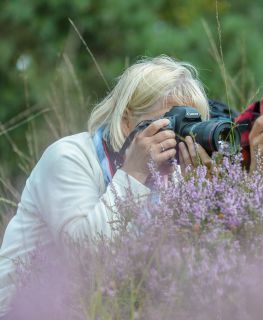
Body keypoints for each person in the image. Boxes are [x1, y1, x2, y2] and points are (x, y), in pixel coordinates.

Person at [0, 55, 212, 316]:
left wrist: (197, 193)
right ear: (126, 119)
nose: (178, 138)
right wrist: (133, 172)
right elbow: (87, 259)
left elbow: (185, 269)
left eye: (190, 126)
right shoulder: (69, 157)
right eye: (170, 124)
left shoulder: (172, 174)